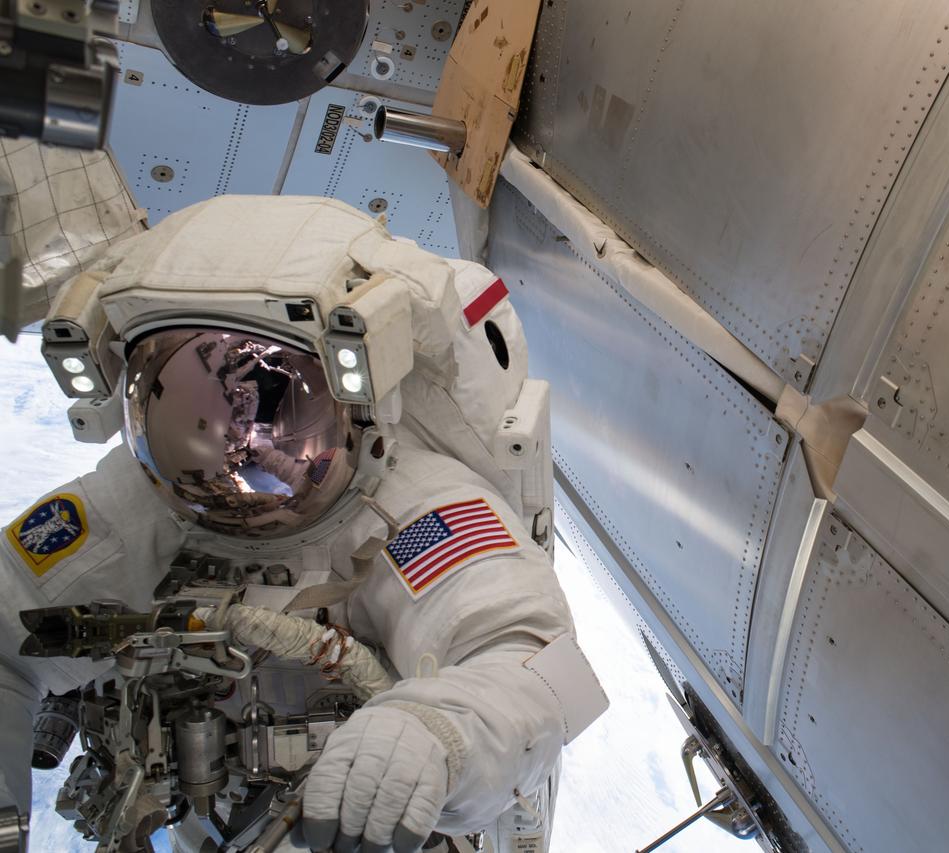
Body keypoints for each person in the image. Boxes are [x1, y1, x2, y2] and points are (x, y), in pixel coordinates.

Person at [0, 195, 605, 852]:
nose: (237, 450)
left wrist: (439, 733)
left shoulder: (416, 509)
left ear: (357, 398)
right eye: (200, 402)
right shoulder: (143, 502)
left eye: (267, 408)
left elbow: (536, 662)